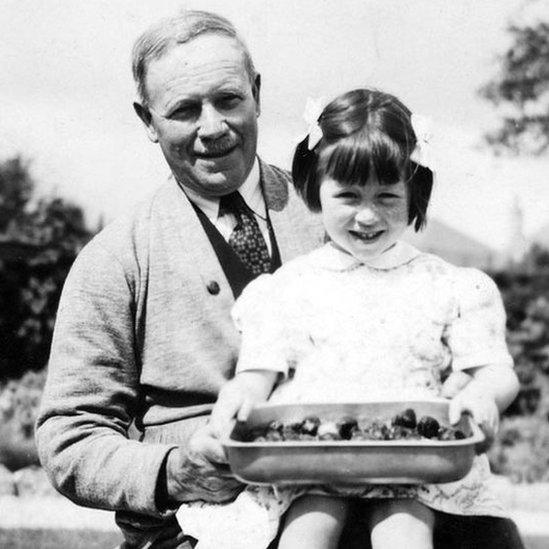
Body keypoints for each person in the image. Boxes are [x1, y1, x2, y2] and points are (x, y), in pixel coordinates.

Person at [35, 9, 524, 549]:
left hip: (388, 487)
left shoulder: (339, 205)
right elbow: (69, 436)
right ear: (147, 120)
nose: (213, 127)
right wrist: (175, 471)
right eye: (183, 110)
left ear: (258, 93)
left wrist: (462, 393)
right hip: (203, 516)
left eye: (228, 99)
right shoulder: (117, 259)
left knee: (489, 539)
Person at [177, 88, 524, 549]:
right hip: (314, 461)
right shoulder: (288, 288)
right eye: (348, 195)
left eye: (386, 196)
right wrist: (236, 399)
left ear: (413, 192)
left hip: (411, 462)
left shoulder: (448, 285)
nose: (366, 215)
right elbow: (256, 377)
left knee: (405, 534)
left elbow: (497, 373)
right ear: (316, 191)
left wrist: (482, 397)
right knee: (305, 535)